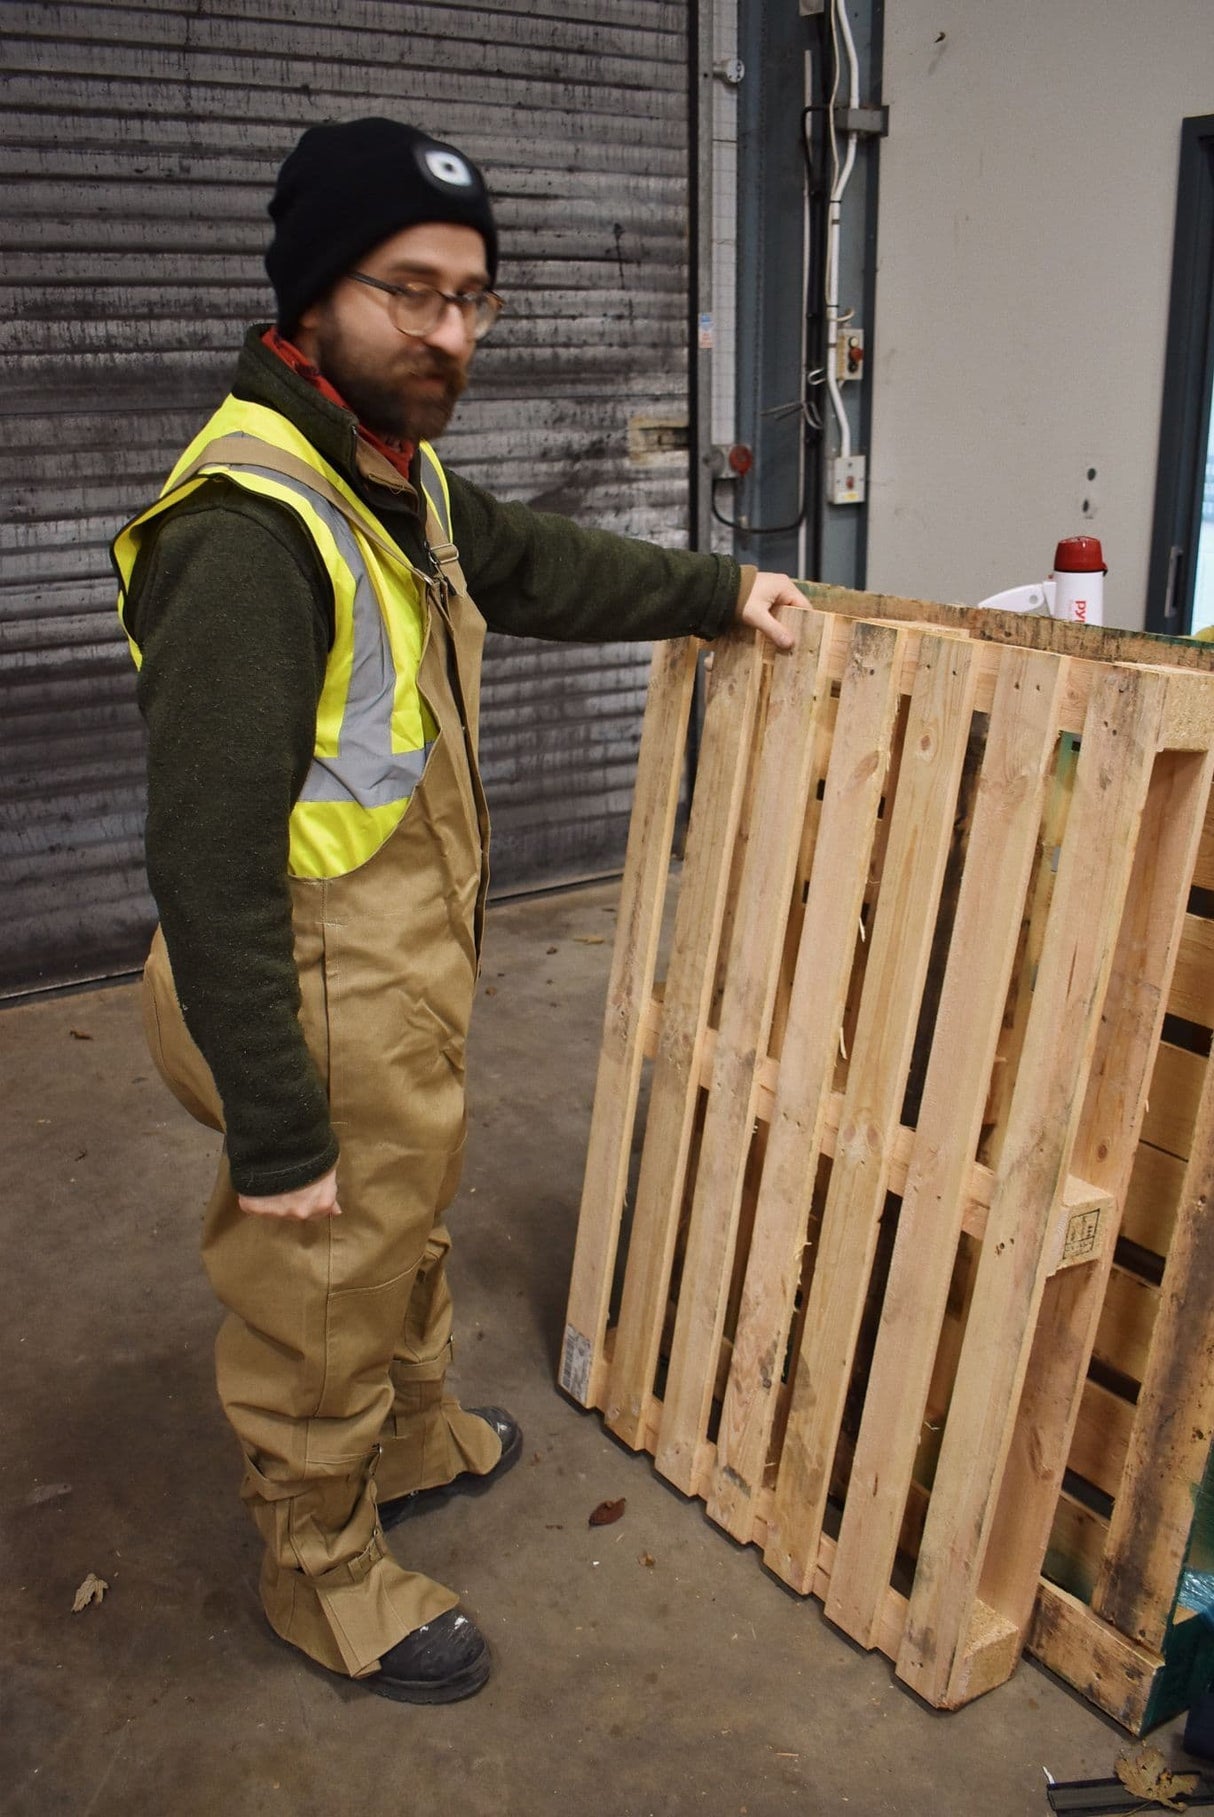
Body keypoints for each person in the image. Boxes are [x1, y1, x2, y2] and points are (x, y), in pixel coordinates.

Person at [112, 116, 802, 1705]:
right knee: (323, 1295)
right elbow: (204, 857)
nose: (446, 333)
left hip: (395, 962)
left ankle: (411, 1438)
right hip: (303, 981)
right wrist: (276, 1127)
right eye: (408, 291)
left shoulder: (389, 478)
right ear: (311, 295)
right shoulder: (250, 524)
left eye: (472, 298)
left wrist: (718, 588)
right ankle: (324, 1570)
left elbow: (530, 560)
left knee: (407, 1221)